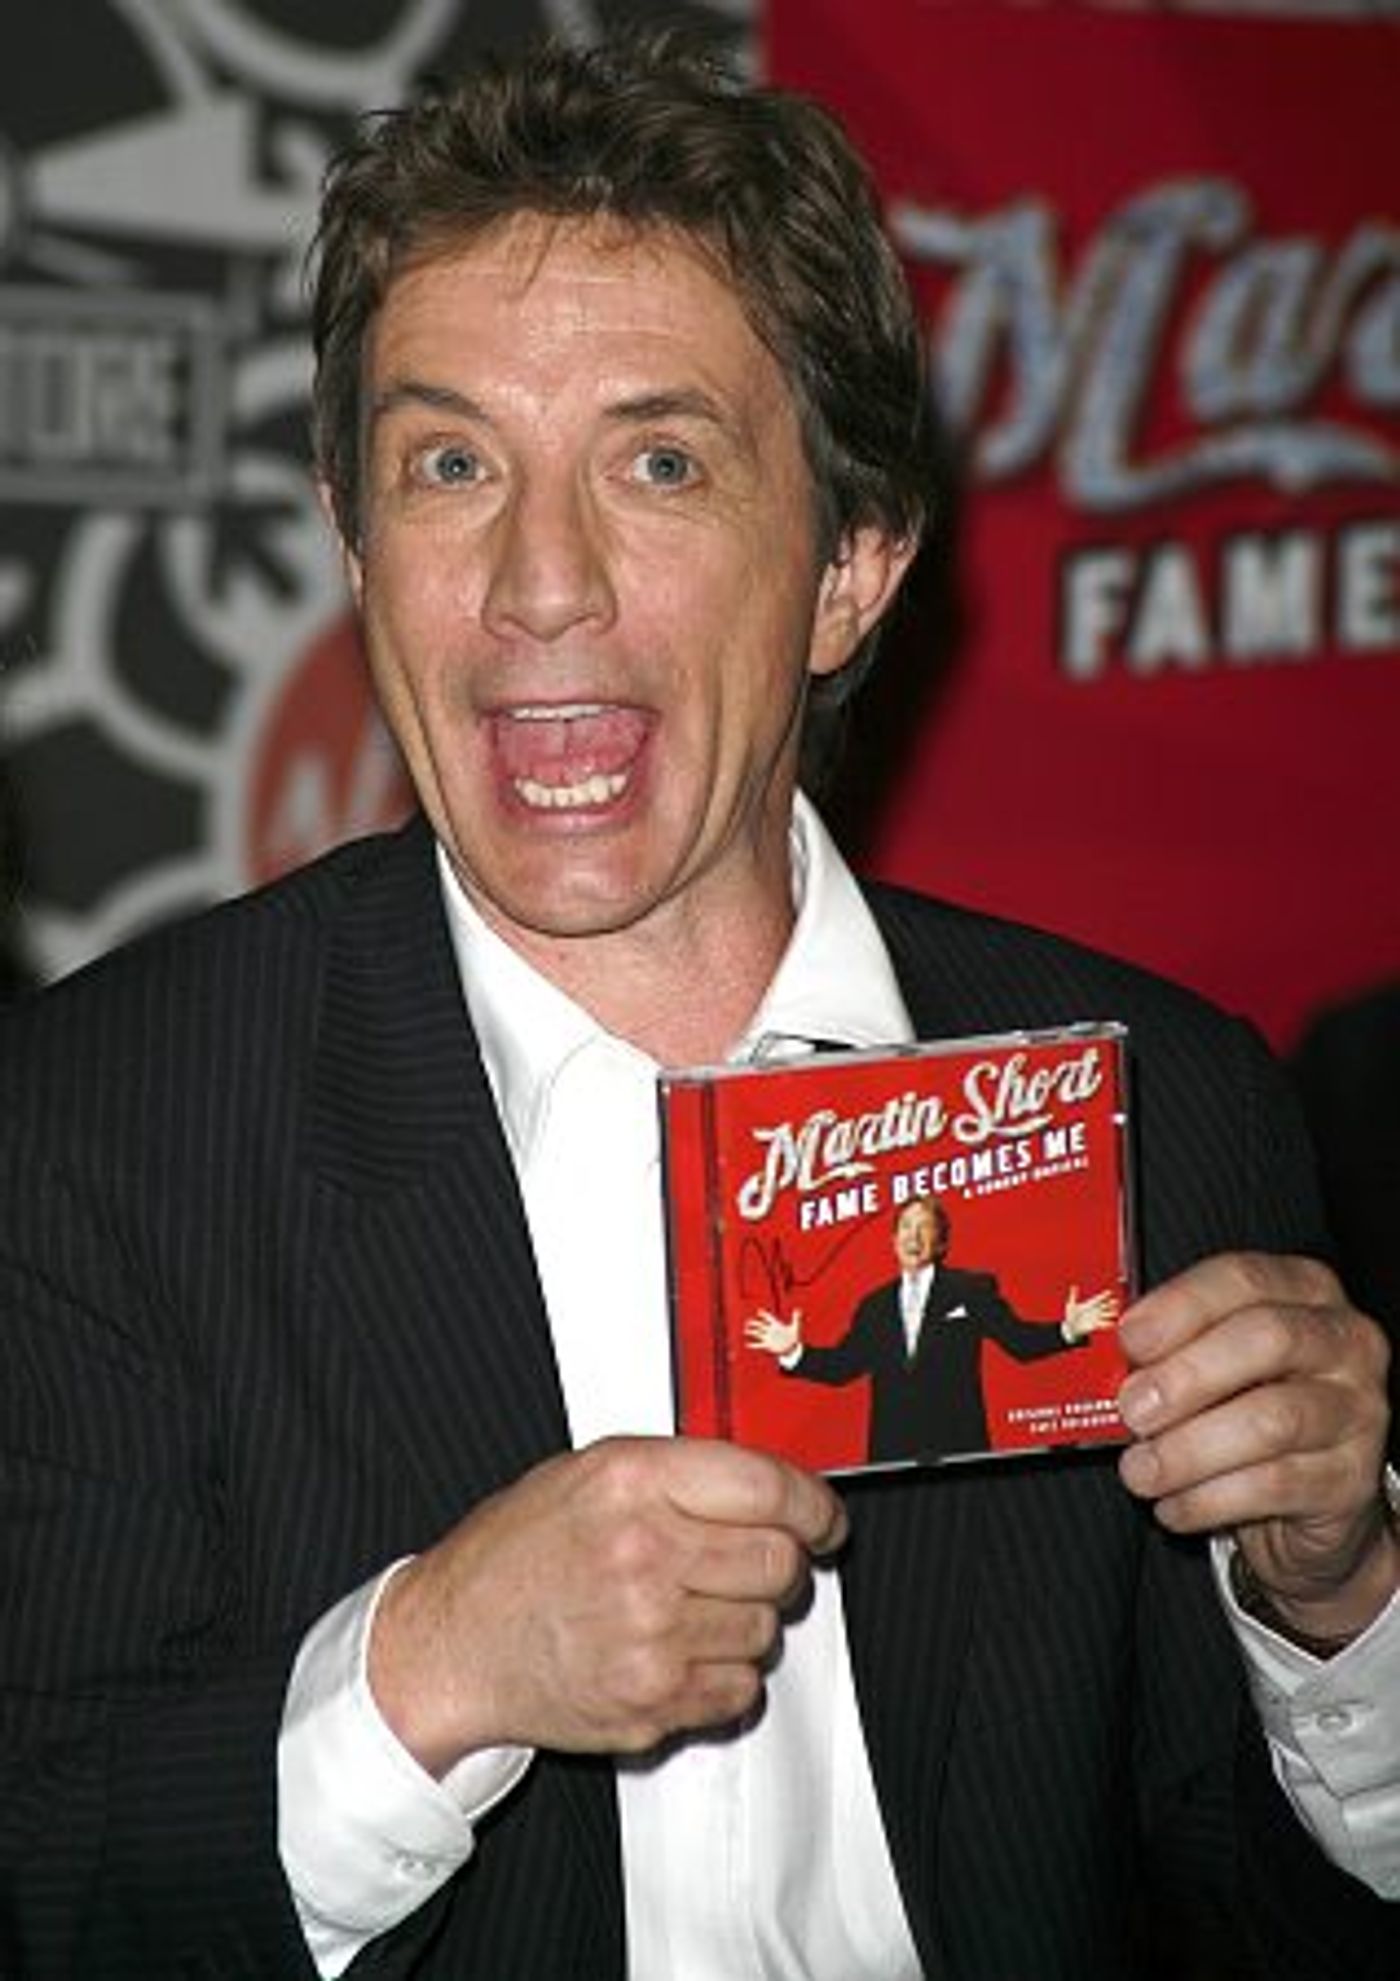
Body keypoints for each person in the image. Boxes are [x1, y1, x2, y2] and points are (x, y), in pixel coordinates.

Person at [0, 31, 1396, 1981]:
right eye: (451, 466)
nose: (539, 583)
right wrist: (423, 1675)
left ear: (850, 568)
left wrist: (1338, 1604)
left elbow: (1256, 1909)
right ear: (351, 541)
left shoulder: (1162, 1106)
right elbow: (48, 1877)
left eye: (658, 462)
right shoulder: (96, 1125)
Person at [746, 1197, 1118, 1461]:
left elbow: (1020, 1342)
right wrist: (793, 1352)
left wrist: (1067, 1330)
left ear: (941, 1242)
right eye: (906, 1227)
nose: (914, 1236)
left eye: (925, 1227)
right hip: (891, 1458)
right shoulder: (874, 1305)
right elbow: (843, 1366)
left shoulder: (971, 1289)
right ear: (893, 1240)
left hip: (960, 1451)